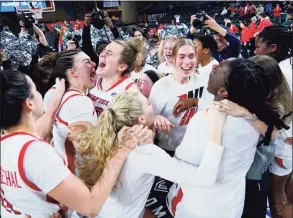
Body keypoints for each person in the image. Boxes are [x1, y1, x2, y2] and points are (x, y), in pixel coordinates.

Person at [0, 69, 151, 217]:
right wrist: (121, 151)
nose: (41, 93)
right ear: (30, 104)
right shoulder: (36, 153)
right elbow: (91, 207)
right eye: (36, 90)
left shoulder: (8, 144)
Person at [71, 91, 227, 218]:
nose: (151, 104)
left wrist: (152, 122)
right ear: (141, 119)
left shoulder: (106, 136)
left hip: (107, 211)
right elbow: (204, 179)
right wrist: (216, 131)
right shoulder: (145, 154)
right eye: (147, 103)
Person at [166, 58, 289, 218]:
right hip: (231, 206)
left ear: (223, 92)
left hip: (195, 205)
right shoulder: (253, 119)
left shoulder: (203, 121)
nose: (214, 66)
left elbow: (183, 162)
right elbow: (271, 132)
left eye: (217, 70)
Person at [149, 39, 214, 156]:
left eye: (191, 56)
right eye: (182, 57)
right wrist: (156, 118)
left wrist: (196, 102)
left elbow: (213, 109)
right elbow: (148, 117)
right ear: (174, 59)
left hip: (196, 147)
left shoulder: (203, 82)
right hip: (169, 149)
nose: (187, 62)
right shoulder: (161, 86)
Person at [255, 25, 293, 218]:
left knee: (277, 197)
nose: (255, 51)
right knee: (288, 189)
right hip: (287, 142)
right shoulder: (287, 66)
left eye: (257, 46)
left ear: (272, 48)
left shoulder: (280, 72)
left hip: (284, 142)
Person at [42, 49, 98, 174]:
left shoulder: (54, 92)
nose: (94, 64)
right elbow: (86, 149)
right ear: (72, 72)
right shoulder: (80, 102)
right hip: (78, 178)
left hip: (62, 171)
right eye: (87, 62)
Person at [88, 40, 138, 116]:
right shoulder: (91, 80)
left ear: (122, 66)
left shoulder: (130, 90)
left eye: (109, 53)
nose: (102, 54)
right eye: (104, 51)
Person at [172, 35, 218, 116]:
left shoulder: (215, 72)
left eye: (195, 47)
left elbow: (214, 105)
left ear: (206, 50)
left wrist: (193, 101)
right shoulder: (200, 66)